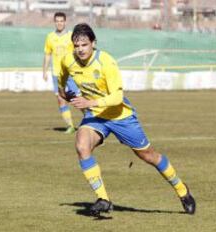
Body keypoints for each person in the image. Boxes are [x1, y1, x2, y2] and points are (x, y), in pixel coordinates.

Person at [58, 23, 196, 216]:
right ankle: (103, 198)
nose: (80, 49)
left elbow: (117, 98)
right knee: (82, 146)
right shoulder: (67, 60)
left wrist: (90, 102)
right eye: (76, 45)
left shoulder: (106, 62)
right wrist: (63, 92)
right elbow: (62, 78)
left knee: (149, 155)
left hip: (120, 116)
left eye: (84, 45)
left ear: (93, 43)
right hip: (95, 116)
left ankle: (182, 190)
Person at [42, 12, 78, 134]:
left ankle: (91, 122)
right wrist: (44, 71)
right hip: (56, 74)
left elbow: (78, 52)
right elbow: (47, 54)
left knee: (78, 98)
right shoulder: (50, 37)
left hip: (71, 73)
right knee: (60, 99)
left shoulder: (71, 36)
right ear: (54, 22)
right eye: (57, 21)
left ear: (65, 22)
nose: (59, 23)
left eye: (61, 21)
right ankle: (71, 125)